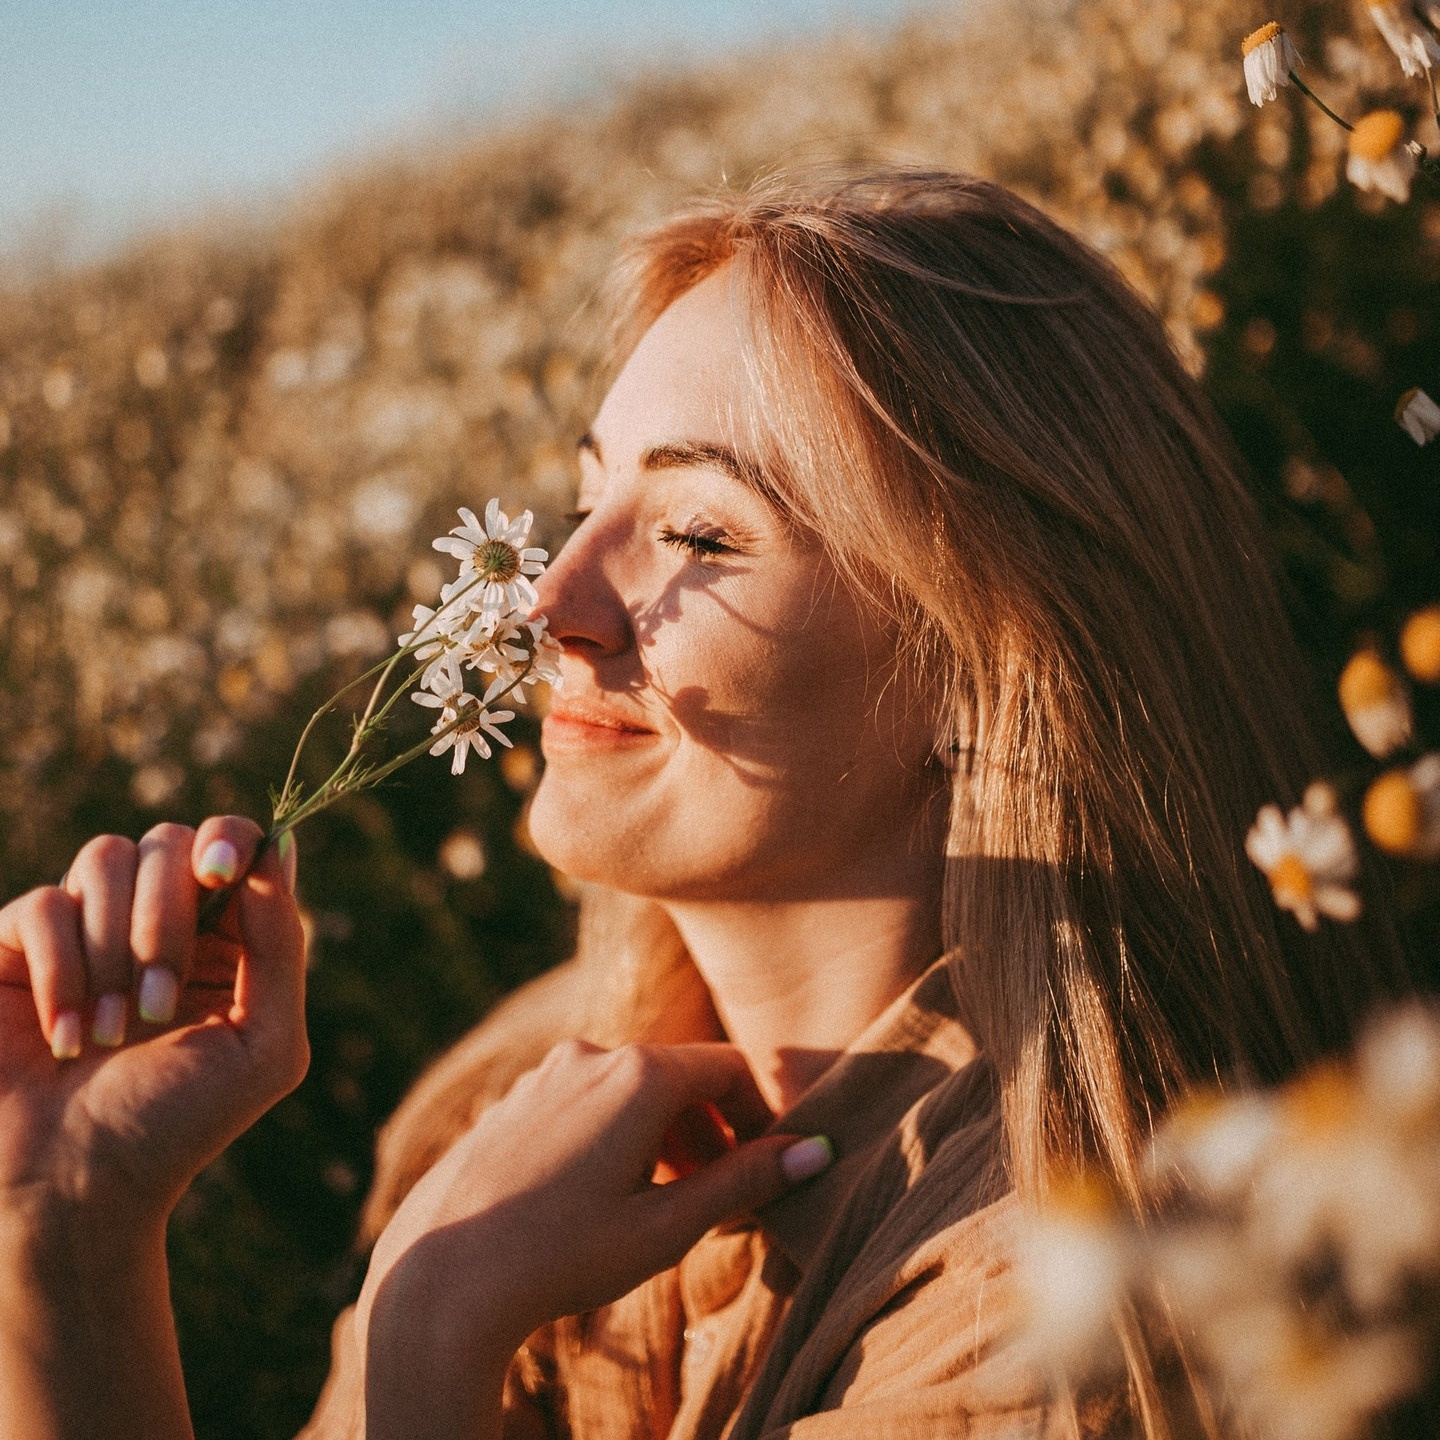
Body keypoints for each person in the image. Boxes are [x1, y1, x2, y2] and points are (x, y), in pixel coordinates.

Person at [0, 169, 1411, 1440]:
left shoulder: (1043, 1329)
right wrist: (62, 1231)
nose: (550, 605)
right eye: (585, 500)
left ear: (983, 668)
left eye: (701, 536)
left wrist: (431, 1348)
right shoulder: (528, 1098)